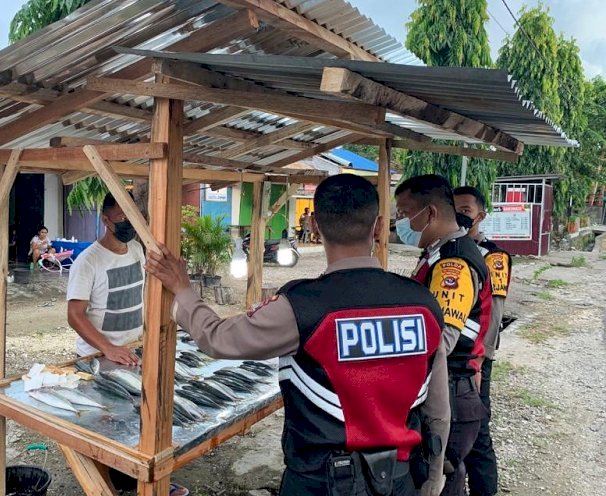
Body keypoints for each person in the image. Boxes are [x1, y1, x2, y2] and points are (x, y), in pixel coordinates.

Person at [147, 174, 450, 496]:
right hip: (398, 480)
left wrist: (182, 289)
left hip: (321, 482)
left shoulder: (302, 307)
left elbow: (217, 338)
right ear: (377, 226)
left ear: (316, 226)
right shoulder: (424, 305)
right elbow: (439, 410)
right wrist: (433, 477)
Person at [66, 192, 189, 496]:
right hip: (96, 356)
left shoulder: (136, 250)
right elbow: (74, 315)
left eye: (130, 217)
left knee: (135, 417)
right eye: (120, 218)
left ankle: (132, 479)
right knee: (104, 425)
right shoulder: (88, 262)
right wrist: (107, 348)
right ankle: (107, 486)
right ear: (105, 220)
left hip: (133, 350)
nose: (126, 224)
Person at [394, 175, 492, 496]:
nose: (401, 222)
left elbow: (442, 341)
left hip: (448, 390)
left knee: (439, 477)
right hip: (442, 386)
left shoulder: (455, 263)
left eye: (405, 213)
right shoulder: (438, 252)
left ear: (431, 214)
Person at [454, 187, 512, 496]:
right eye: (454, 208)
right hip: (455, 358)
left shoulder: (494, 256)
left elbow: (495, 312)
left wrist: (479, 362)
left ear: (481, 215)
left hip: (476, 360)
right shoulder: (449, 250)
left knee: (478, 435)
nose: (460, 214)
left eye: (465, 208)